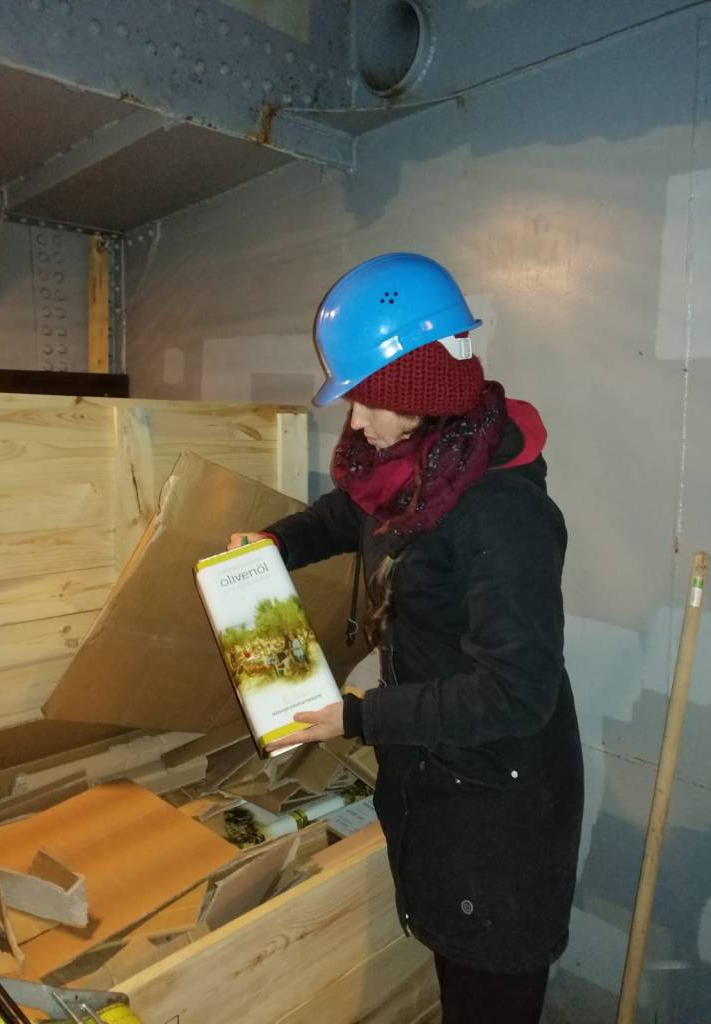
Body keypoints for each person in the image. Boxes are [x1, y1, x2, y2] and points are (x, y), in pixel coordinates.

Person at [227, 252, 584, 1024]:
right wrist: (273, 542)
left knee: (487, 994)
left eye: (367, 398)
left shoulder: (502, 514)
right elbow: (348, 513)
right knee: (453, 970)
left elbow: (517, 693)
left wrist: (359, 717)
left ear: (420, 388)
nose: (354, 420)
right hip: (441, 780)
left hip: (500, 810)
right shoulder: (415, 467)